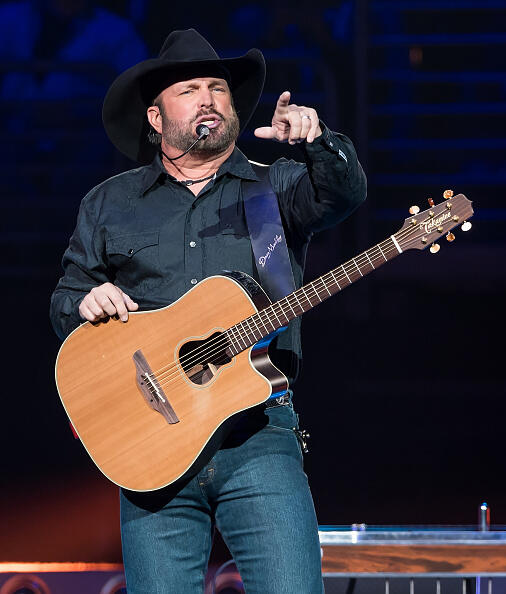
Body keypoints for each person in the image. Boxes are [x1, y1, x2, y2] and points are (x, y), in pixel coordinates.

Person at [50, 28, 367, 594]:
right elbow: (64, 302)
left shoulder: (275, 187)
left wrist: (318, 142)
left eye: (218, 88)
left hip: (259, 434)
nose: (208, 99)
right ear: (154, 117)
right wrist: (83, 302)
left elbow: (342, 196)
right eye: (190, 89)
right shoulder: (109, 203)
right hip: (150, 445)